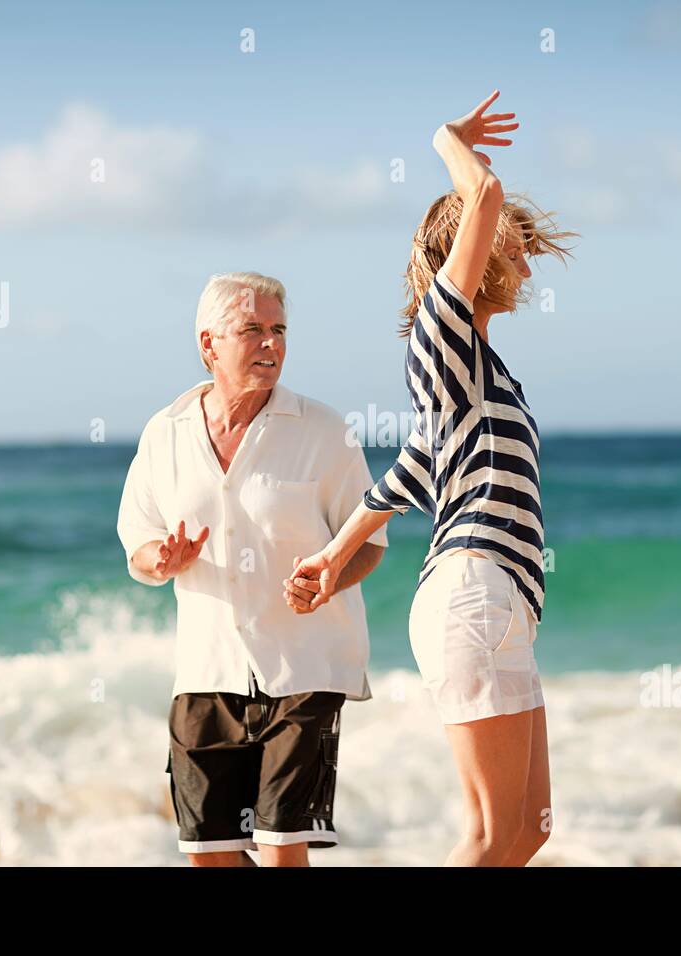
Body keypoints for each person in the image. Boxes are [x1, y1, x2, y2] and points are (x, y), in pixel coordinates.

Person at [284, 91, 576, 866]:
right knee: (487, 834)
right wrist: (448, 140)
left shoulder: (478, 371)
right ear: (467, 259)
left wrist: (334, 553)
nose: (521, 258)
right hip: (472, 592)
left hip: (501, 598)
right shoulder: (441, 332)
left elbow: (412, 470)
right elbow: (481, 192)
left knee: (530, 828)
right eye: (507, 245)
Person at [117, 271, 387, 867]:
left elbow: (369, 541)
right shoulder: (165, 435)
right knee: (209, 855)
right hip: (204, 670)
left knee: (280, 850)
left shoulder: (324, 431)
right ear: (209, 344)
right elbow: (136, 539)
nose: (271, 344)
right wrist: (161, 558)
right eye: (253, 330)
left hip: (306, 669)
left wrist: (329, 579)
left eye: (279, 330)